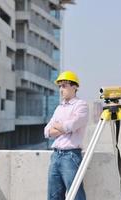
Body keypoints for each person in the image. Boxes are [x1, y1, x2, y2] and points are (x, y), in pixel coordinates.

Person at [44, 70, 89, 200]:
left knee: (76, 196)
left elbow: (71, 126)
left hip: (71, 156)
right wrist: (63, 128)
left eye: (64, 86)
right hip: (55, 156)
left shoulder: (81, 105)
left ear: (74, 87)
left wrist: (59, 126)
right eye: (60, 86)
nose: (61, 90)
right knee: (53, 196)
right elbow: (46, 131)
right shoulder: (59, 108)